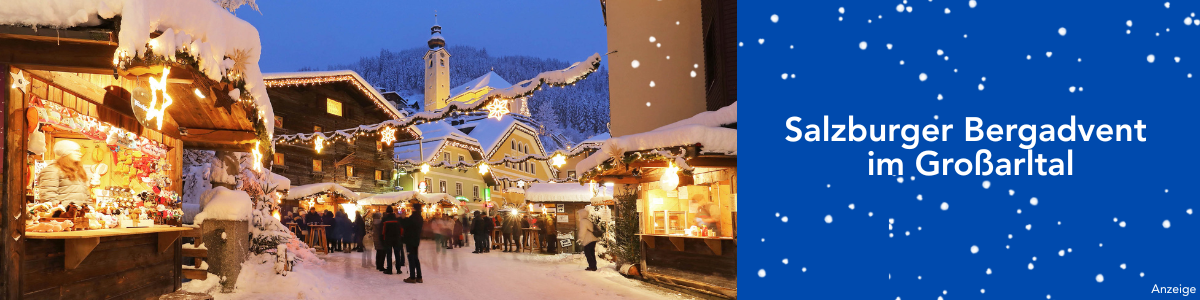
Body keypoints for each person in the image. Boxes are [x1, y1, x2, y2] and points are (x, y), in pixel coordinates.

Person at [38, 140, 92, 206]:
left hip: (79, 214)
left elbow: (86, 195)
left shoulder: (78, 171)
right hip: (63, 214)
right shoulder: (52, 170)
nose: (80, 154)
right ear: (66, 153)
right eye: (76, 151)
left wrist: (90, 210)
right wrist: (60, 212)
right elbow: (48, 196)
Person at [403, 202, 425, 283]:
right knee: (415, 257)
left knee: (411, 258)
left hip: (410, 240)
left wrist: (402, 218)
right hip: (416, 240)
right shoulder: (420, 217)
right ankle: (419, 276)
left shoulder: (413, 217)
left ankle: (412, 277)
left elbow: (406, 225)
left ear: (414, 208)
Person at [381, 206, 404, 274]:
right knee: (397, 254)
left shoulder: (385, 219)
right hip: (397, 238)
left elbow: (383, 230)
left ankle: (389, 269)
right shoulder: (397, 219)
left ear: (387, 211)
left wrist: (382, 237)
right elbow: (401, 229)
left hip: (388, 239)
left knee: (389, 254)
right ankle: (398, 269)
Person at [577, 207, 600, 271]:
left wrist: (580, 238)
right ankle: (593, 266)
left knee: (588, 253)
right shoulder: (588, 220)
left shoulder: (583, 221)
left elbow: (582, 231)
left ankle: (592, 266)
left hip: (588, 240)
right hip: (593, 239)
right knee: (591, 253)